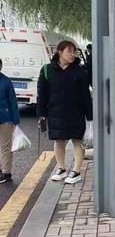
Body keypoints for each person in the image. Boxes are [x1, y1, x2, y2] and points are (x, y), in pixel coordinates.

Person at [37, 40, 93, 184]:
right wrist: (41, 114)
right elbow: (41, 94)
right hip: (55, 112)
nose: (73, 54)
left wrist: (89, 114)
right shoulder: (47, 70)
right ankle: (61, 168)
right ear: (60, 52)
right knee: (58, 140)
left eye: (74, 51)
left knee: (77, 141)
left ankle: (76, 171)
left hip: (76, 113)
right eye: (69, 51)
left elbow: (85, 94)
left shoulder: (79, 71)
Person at [0, 58, 20, 183]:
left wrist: (15, 120)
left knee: (5, 146)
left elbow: (13, 101)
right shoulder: (6, 81)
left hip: (5, 118)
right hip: (6, 116)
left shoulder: (6, 81)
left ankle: (6, 172)